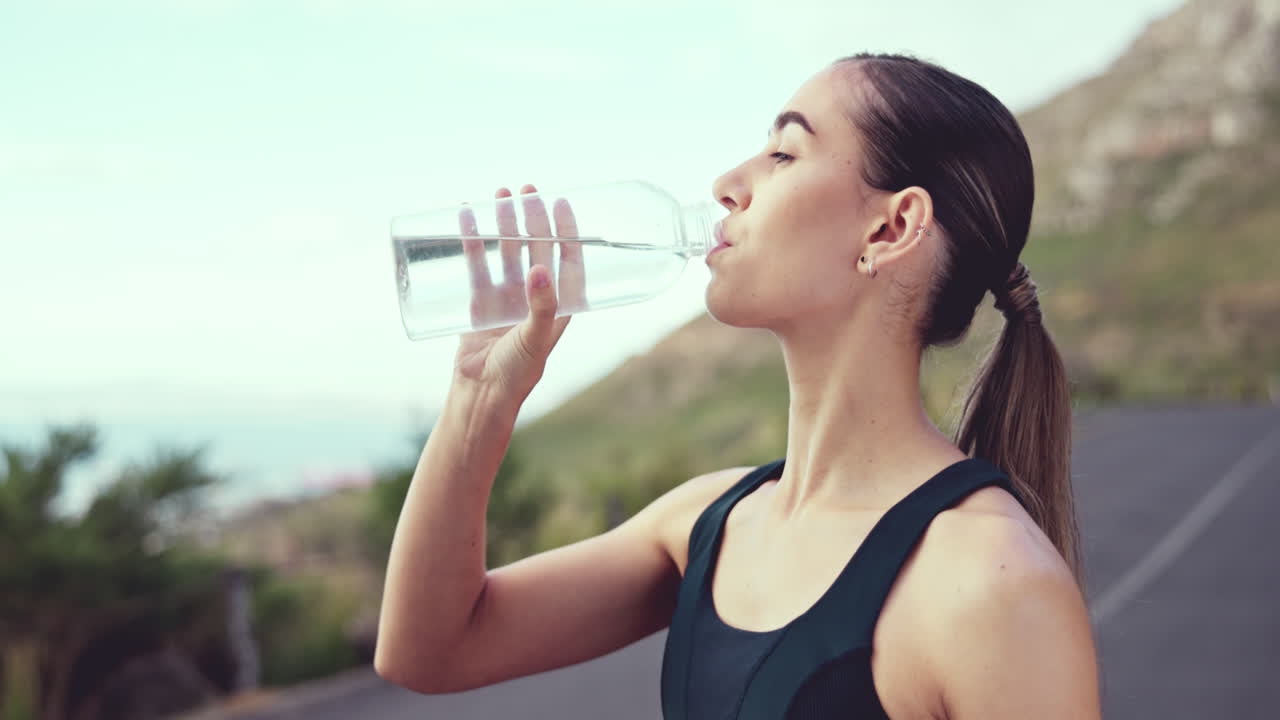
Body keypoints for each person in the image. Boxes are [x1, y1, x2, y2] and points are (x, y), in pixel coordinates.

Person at [374, 52, 1101, 718]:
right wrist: (479, 400)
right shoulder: (707, 525)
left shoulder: (989, 582)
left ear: (891, 228)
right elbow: (428, 650)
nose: (726, 185)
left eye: (784, 153)